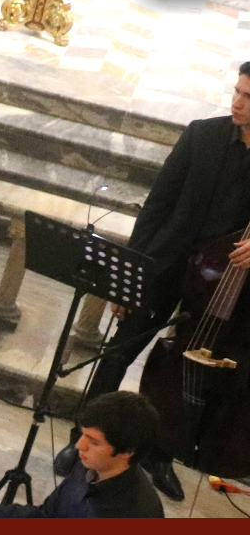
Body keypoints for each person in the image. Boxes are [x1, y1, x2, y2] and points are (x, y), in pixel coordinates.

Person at [86, 63, 250, 401]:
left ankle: (163, 447)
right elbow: (156, 207)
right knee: (118, 353)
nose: (237, 102)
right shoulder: (201, 135)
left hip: (221, 285)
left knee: (186, 369)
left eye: (248, 97)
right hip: (165, 265)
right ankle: (84, 436)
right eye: (237, 91)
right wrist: (128, 276)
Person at [0, 392, 165, 518]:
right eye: (82, 435)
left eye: (93, 441)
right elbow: (46, 516)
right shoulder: (88, 466)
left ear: (127, 451)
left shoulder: (138, 514)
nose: (79, 446)